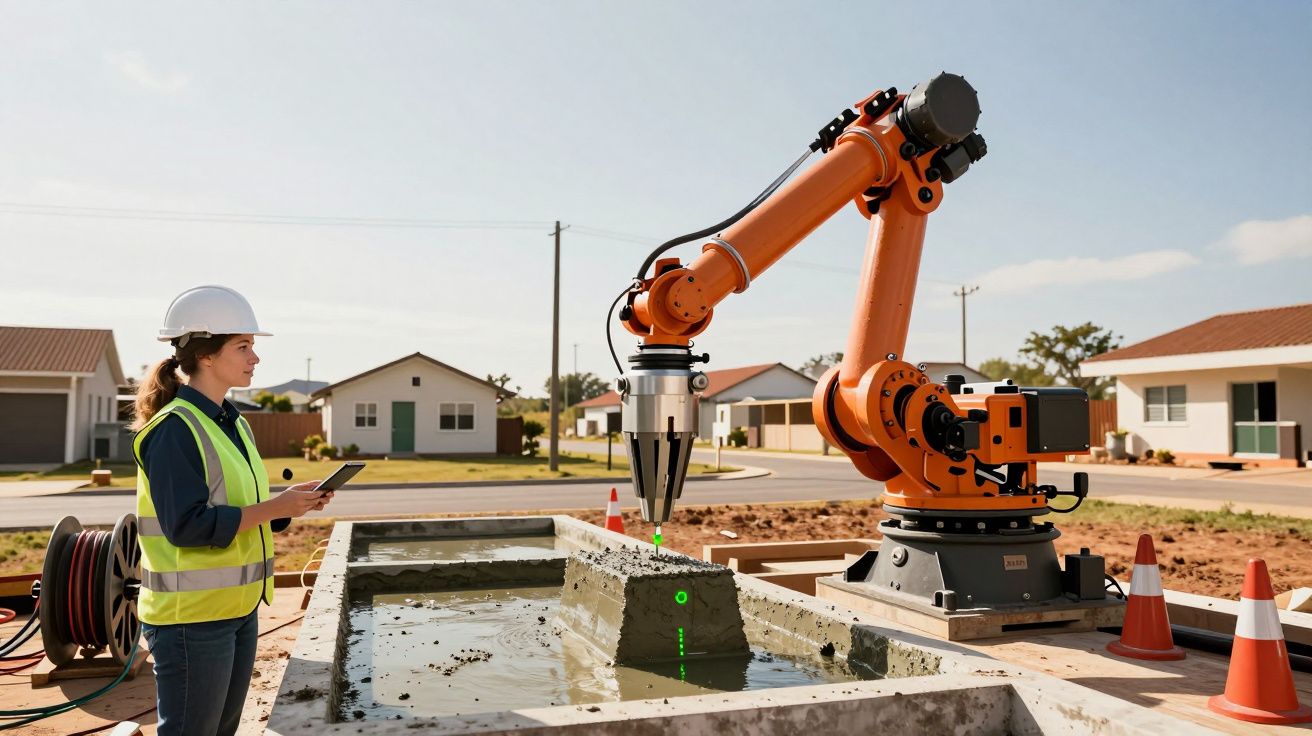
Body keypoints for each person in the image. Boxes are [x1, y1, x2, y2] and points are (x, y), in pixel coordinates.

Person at [130, 285, 332, 736]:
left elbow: (243, 508)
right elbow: (186, 526)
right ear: (205, 355)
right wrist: (274, 506)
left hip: (237, 610)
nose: (254, 357)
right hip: (191, 619)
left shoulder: (233, 421)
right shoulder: (174, 430)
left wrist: (289, 506)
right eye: (243, 346)